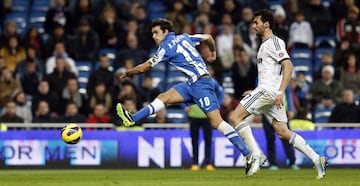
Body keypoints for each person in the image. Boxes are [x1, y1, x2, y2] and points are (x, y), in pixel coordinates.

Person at [115, 18, 261, 176]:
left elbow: (144, 67)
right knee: (163, 97)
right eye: (152, 33)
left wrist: (128, 73)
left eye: (156, 33)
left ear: (166, 32)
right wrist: (212, 53)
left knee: (217, 122)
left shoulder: (165, 48)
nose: (154, 36)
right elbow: (209, 38)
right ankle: (133, 118)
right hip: (191, 84)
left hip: (201, 85)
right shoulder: (185, 37)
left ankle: (250, 155)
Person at [228, 9, 327, 179]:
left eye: (256, 22)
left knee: (235, 117)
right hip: (267, 91)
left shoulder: (274, 43)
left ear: (266, 24)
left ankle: (256, 154)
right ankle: (317, 159)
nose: (253, 26)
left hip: (269, 92)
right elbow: (270, 73)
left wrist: (280, 91)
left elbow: (288, 67)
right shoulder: (264, 45)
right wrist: (256, 90)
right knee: (282, 132)